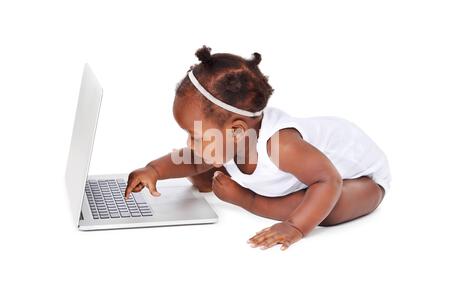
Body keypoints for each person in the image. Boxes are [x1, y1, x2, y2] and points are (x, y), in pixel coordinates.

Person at [125, 45, 391, 250]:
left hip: (359, 179)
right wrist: (154, 170)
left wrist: (293, 226)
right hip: (312, 173)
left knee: (327, 210)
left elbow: (328, 179)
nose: (189, 144)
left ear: (238, 130)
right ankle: (251, 194)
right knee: (200, 171)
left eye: (195, 136)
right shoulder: (233, 138)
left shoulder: (281, 146)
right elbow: (190, 159)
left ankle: (252, 198)